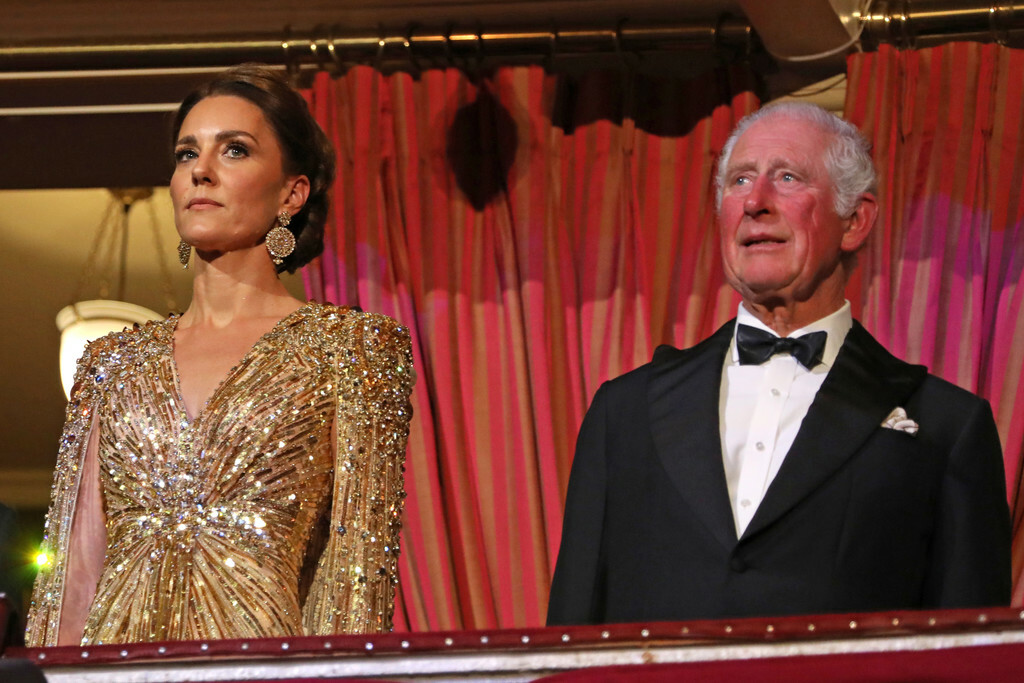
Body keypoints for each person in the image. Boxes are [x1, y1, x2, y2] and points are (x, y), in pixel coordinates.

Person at [547, 102, 1011, 625]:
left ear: (854, 221)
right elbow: (571, 631)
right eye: (740, 180)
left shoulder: (947, 429)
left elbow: (968, 651)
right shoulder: (623, 412)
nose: (755, 202)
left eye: (787, 177)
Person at [26, 65, 415, 646]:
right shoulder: (110, 363)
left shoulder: (353, 351)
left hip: (262, 667)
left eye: (234, 150)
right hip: (114, 666)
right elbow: (73, 575)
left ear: (291, 193)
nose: (200, 170)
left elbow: (356, 578)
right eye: (187, 153)